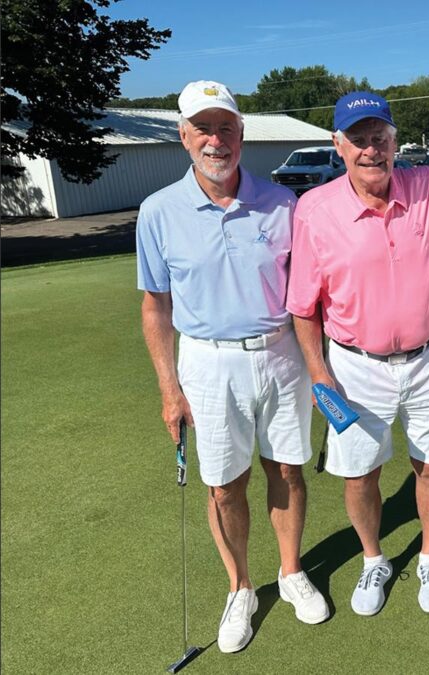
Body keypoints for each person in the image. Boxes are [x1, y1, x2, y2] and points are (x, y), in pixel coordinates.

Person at [137, 80, 328, 654]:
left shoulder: (283, 203)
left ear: (242, 134)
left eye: (225, 128)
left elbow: (311, 293)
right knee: (224, 487)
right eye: (203, 128)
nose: (215, 140)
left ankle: (291, 572)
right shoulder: (158, 211)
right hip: (206, 362)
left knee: (288, 471)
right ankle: (241, 586)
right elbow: (155, 306)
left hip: (281, 355)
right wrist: (169, 390)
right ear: (183, 136)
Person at [286, 91, 429, 617]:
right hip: (353, 365)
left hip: (427, 359)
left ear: (394, 141)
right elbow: (304, 307)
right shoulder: (315, 210)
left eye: (380, 138)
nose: (371, 150)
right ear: (338, 147)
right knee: (360, 474)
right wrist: (319, 373)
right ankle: (373, 559)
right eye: (358, 140)